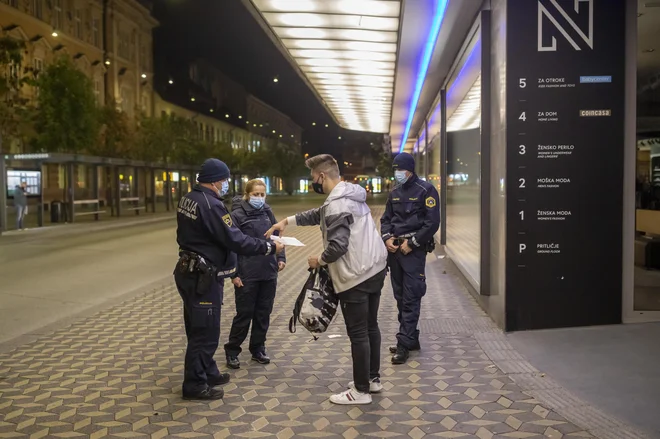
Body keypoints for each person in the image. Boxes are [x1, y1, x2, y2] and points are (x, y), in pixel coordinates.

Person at [266, 154, 388, 405]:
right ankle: (373, 380)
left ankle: (361, 391)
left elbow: (337, 247)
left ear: (322, 176)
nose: (314, 182)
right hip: (375, 268)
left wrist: (318, 260)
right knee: (371, 327)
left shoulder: (336, 204)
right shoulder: (350, 195)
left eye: (314, 178)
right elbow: (318, 214)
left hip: (355, 275)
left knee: (358, 333)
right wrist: (286, 221)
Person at [174, 158, 284, 401]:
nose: (225, 184)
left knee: (199, 326)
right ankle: (195, 385)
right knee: (205, 331)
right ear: (215, 180)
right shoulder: (211, 205)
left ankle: (208, 371)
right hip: (201, 275)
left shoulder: (189, 198)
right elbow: (235, 239)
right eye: (224, 180)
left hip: (190, 270)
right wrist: (268, 248)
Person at [380, 152, 440, 365]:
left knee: (411, 296)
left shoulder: (426, 190)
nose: (397, 174)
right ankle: (410, 338)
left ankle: (404, 344)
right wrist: (387, 238)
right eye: (395, 170)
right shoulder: (394, 191)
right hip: (395, 251)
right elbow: (385, 219)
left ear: (410, 170)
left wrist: (412, 243)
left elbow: (432, 223)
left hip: (413, 252)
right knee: (400, 297)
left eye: (400, 170)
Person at [224, 179, 286, 369]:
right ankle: (233, 350)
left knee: (263, 313)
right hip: (247, 273)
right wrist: (234, 274)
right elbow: (231, 246)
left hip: (268, 271)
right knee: (244, 314)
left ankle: (258, 348)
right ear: (247, 194)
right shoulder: (236, 215)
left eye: (262, 194)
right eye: (256, 194)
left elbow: (277, 236)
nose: (259, 198)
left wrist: (281, 257)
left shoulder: (267, 211)